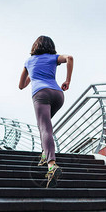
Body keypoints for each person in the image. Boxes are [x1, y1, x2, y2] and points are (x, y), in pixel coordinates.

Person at [19, 35, 73, 188]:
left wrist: (32, 74)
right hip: (58, 94)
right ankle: (44, 154)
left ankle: (51, 165)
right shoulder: (54, 58)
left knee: (45, 128)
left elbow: (21, 85)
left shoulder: (29, 61)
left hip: (41, 94)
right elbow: (69, 57)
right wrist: (67, 80)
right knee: (45, 126)